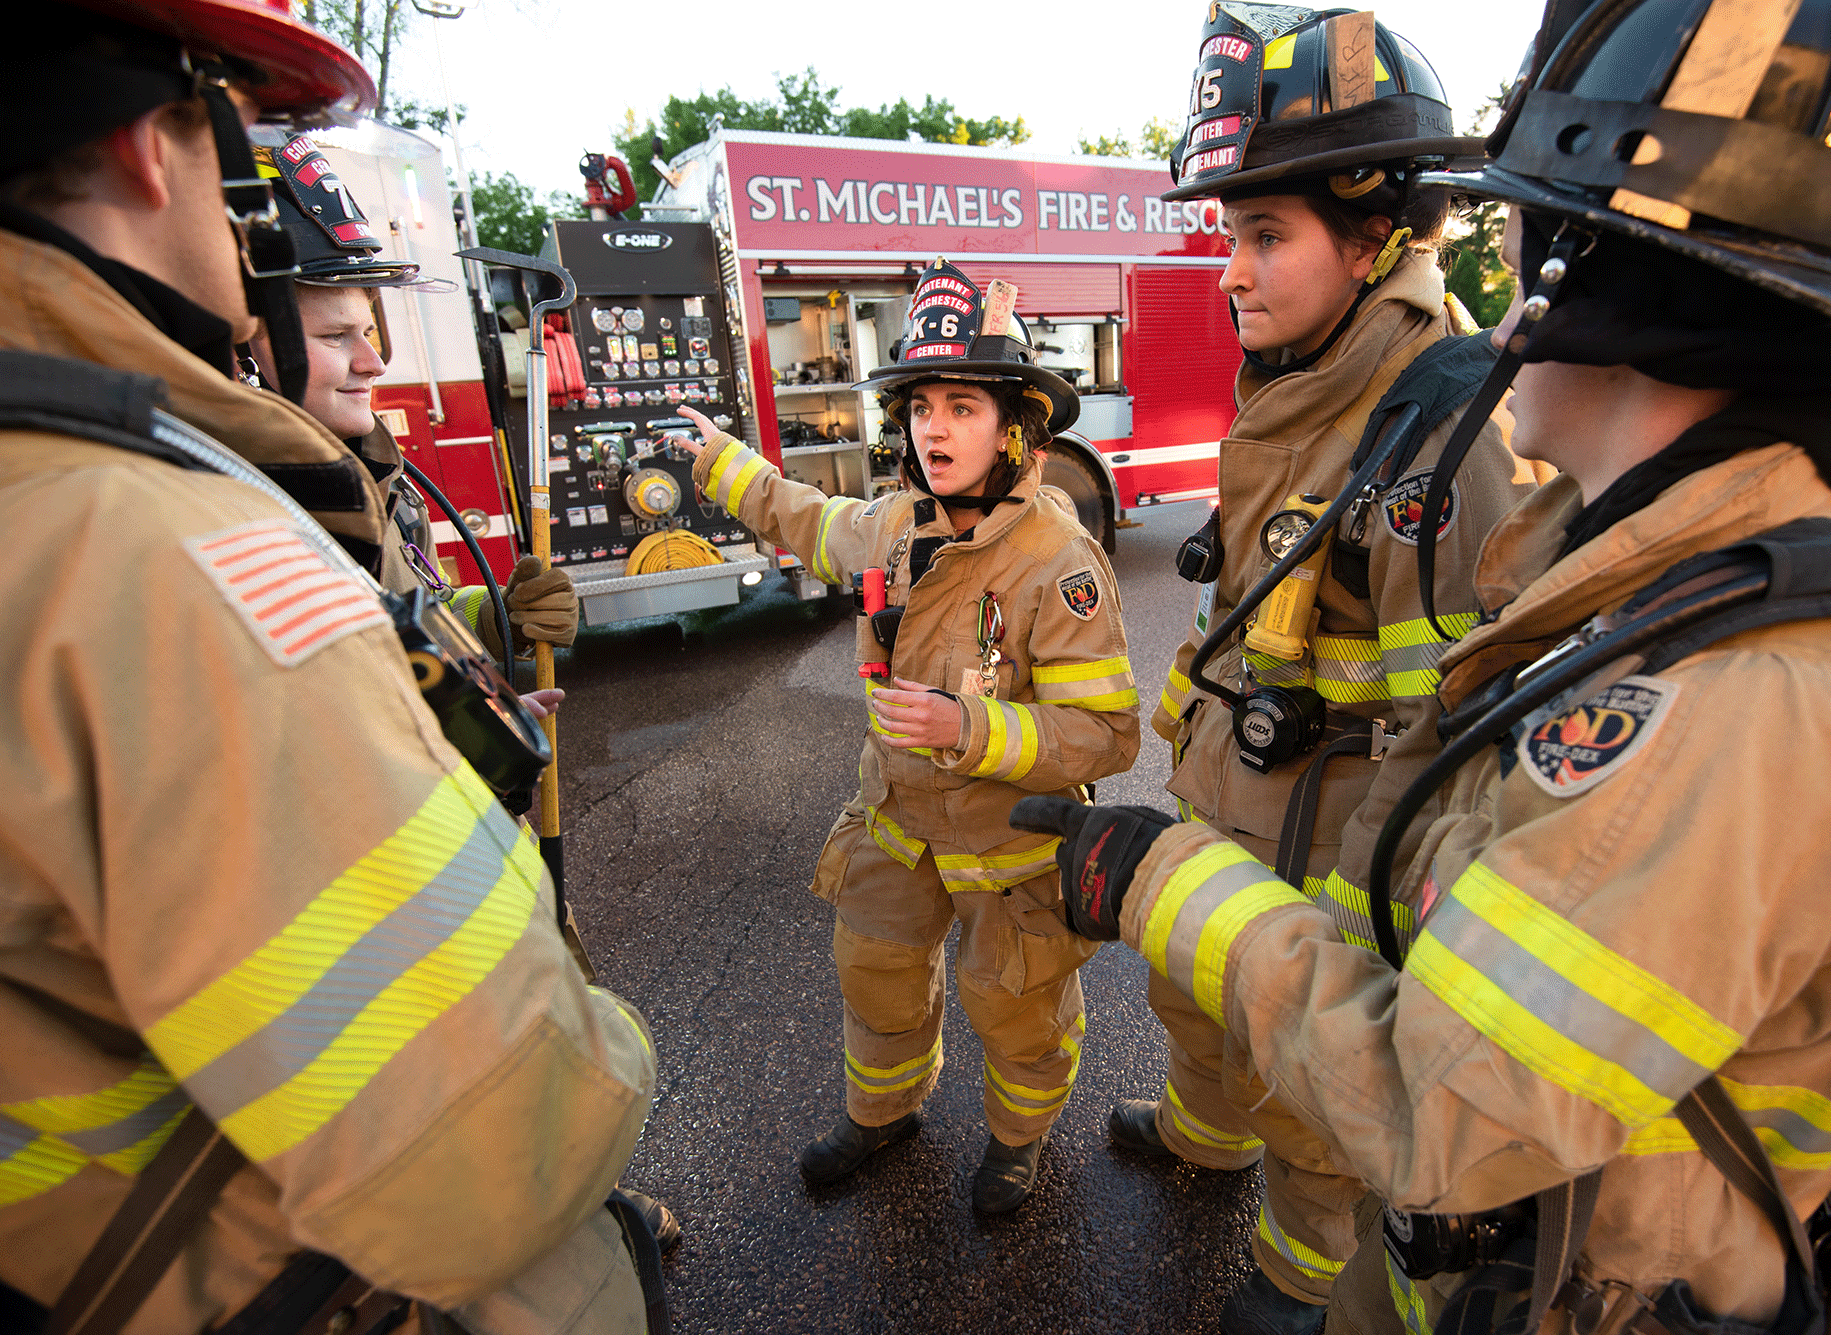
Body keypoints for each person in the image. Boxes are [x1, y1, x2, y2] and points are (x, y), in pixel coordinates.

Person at [1015, 0, 1831, 1329]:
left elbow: (1438, 1100)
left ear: (1591, 274)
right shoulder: (1663, 584)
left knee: (1317, 1158)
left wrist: (1169, 877)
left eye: (1526, 222)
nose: (1494, 273)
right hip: (1488, 1235)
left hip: (1534, 1262)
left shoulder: (1746, 699)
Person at [0, 5, 660, 1331]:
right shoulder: (162, 538)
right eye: (336, 319)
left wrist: (474, 623)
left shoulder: (126, 489)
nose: (373, 354)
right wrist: (600, 1058)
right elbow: (483, 1146)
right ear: (149, 145)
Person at [1121, 7, 1543, 1329]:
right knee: (1198, 1013)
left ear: (1370, 238)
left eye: (1265, 235)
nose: (1230, 273)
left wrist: (1360, 930)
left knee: (1312, 1100)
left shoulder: (1436, 426)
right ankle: (1201, 1133)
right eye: (1227, 234)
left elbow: (1447, 726)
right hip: (1227, 820)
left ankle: (1295, 1276)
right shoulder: (1297, 384)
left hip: (1321, 870)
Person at [676, 259, 1140, 1213]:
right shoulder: (895, 523)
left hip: (1009, 847)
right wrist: (725, 461)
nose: (934, 426)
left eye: (963, 405)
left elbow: (1107, 734)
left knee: (1018, 1006)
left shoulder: (1060, 561)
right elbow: (804, 518)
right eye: (922, 404)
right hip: (891, 820)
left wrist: (967, 726)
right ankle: (882, 1113)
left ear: (1015, 427)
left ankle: (1018, 1144)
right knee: (878, 977)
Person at [246, 131, 579, 684]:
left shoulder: (380, 481)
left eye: (370, 331)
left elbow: (417, 615)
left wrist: (500, 621)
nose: (374, 363)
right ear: (242, 352)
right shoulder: (241, 516)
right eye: (335, 337)